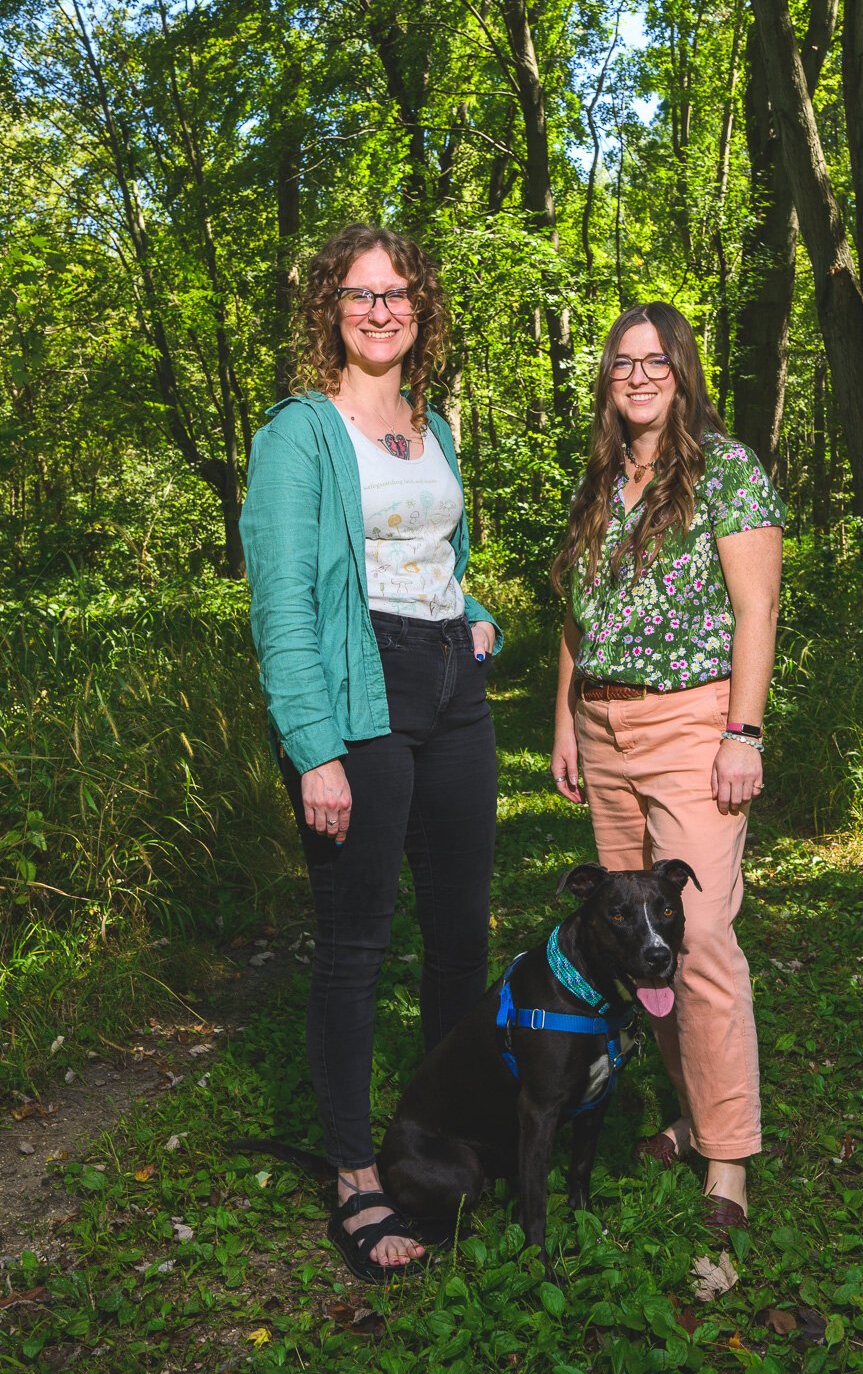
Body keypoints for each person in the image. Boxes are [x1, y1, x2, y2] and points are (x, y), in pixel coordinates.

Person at [240, 223, 499, 1282]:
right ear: (330, 310)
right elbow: (287, 604)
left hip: (455, 686)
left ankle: (441, 1147)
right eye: (359, 293)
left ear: (420, 305)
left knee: (457, 938)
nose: (380, 308)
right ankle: (355, 1172)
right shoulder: (300, 434)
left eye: (397, 291)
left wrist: (476, 614)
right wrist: (314, 749)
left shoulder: (431, 420)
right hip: (360, 687)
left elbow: (441, 550)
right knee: (356, 945)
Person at [550, 302, 784, 1239]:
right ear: (606, 378)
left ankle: (727, 1155)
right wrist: (565, 720)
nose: (637, 376)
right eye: (621, 363)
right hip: (600, 725)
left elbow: (755, 610)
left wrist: (744, 733)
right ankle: (688, 1122)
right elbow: (577, 611)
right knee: (635, 944)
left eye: (655, 361)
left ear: (682, 372)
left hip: (692, 722)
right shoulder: (601, 477)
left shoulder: (725, 470)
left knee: (704, 943)